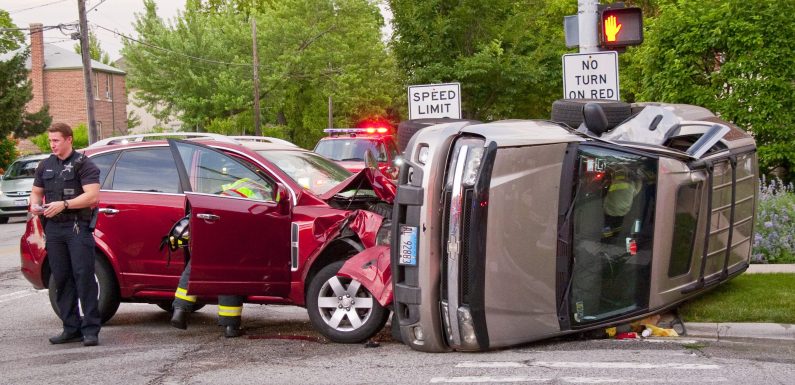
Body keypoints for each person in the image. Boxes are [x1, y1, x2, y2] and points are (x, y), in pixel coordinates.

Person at [167, 177, 270, 338]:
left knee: (194, 269)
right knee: (229, 277)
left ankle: (179, 311)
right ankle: (231, 326)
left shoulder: (237, 184)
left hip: (210, 225)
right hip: (231, 231)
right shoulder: (266, 191)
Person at [29, 123, 101, 346]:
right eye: (50, 141)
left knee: (84, 277)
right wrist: (33, 205)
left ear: (69, 139)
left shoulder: (84, 165)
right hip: (54, 229)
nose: (52, 145)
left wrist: (65, 204)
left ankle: (90, 330)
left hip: (77, 228)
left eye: (56, 140)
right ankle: (71, 327)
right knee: (61, 278)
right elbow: (36, 192)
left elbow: (92, 197)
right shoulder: (45, 165)